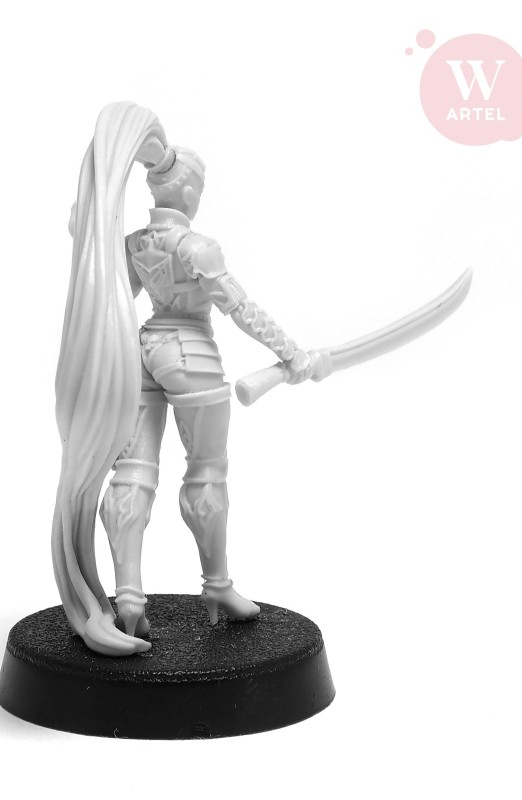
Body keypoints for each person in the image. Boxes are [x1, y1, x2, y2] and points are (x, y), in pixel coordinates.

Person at [53, 103, 309, 656]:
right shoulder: (197, 246)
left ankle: (128, 597)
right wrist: (291, 352)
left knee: (133, 471)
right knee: (207, 469)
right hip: (192, 354)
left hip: (140, 351)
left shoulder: (134, 243)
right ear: (189, 191)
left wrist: (86, 234)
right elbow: (240, 308)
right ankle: (217, 587)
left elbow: (113, 294)